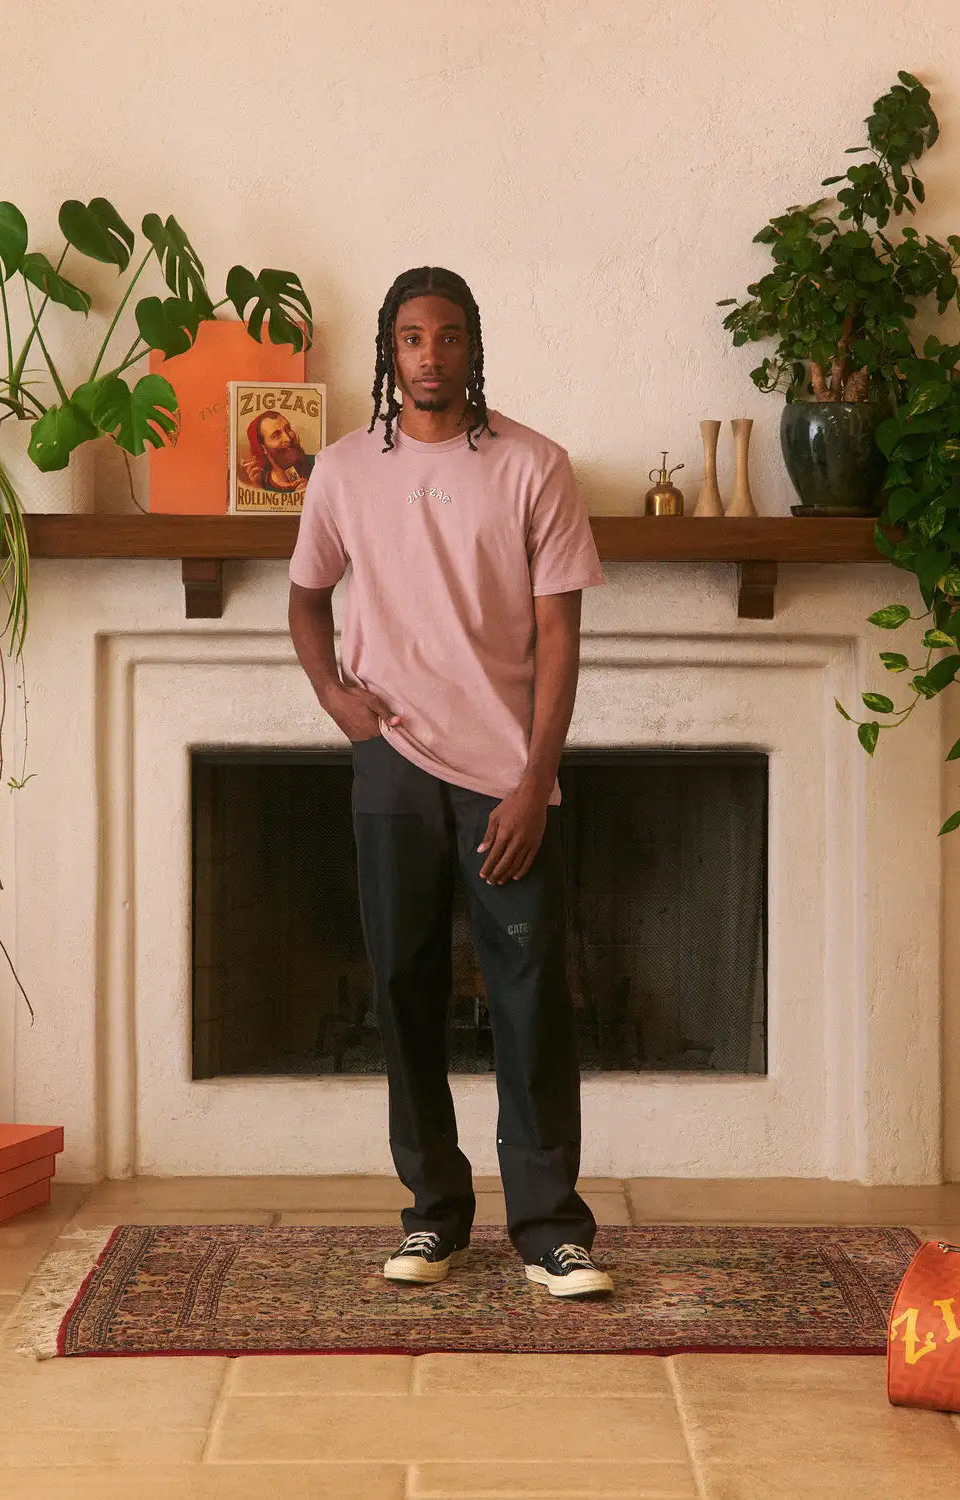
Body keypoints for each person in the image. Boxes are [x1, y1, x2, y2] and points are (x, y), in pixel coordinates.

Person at [286, 266, 611, 1300]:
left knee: (528, 1002)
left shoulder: (535, 467)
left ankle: (552, 1230)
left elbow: (560, 641)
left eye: (450, 335)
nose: (431, 353)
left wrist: (534, 780)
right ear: (389, 350)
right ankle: (434, 1217)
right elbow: (304, 601)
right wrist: (336, 695)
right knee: (404, 990)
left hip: (505, 778)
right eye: (412, 336)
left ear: (475, 346)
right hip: (392, 766)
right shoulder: (341, 471)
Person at [240, 410, 315, 494]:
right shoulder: (259, 483)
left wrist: (313, 493)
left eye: (288, 429)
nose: (288, 439)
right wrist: (258, 491)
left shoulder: (316, 464)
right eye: (276, 435)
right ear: (263, 448)